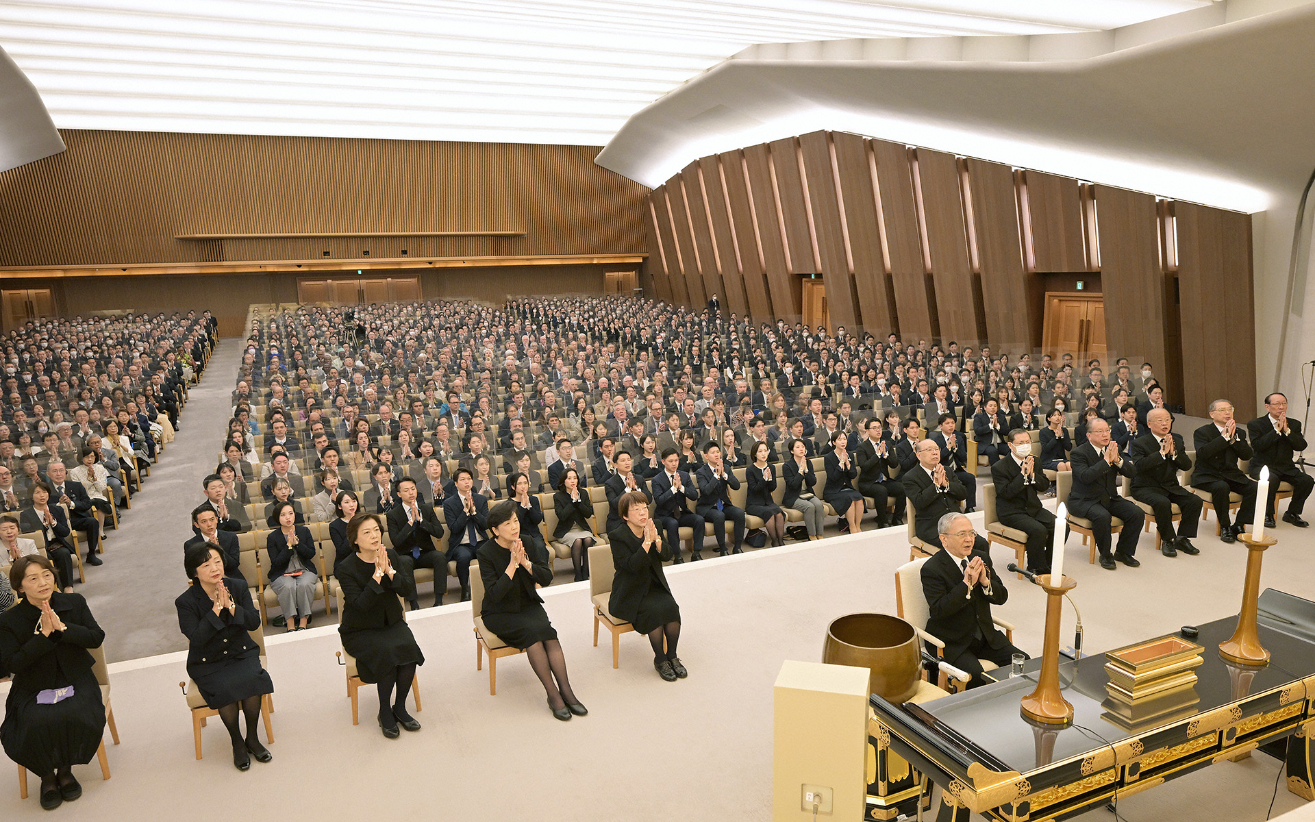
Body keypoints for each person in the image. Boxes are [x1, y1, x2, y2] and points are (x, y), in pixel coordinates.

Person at [0, 555, 107, 809]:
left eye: (47, 575)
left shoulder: (74, 602)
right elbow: (11, 664)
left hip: (75, 677)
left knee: (76, 712)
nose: (43, 582)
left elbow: (96, 637)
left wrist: (64, 628)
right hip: (33, 684)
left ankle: (66, 772)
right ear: (20, 586)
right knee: (34, 721)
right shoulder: (8, 620)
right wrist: (44, 636)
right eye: (33, 578)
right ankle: (47, 776)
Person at [477, 501, 586, 721]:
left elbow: (546, 578)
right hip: (499, 612)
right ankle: (553, 694)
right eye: (507, 524)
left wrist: (526, 563)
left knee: (549, 636)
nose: (514, 526)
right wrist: (512, 565)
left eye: (515, 521)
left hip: (528, 603)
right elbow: (494, 594)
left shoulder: (526, 541)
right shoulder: (485, 552)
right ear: (496, 530)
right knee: (533, 639)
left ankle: (566, 690)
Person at [176, 542, 274, 771]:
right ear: (194, 572)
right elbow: (197, 640)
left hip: (240, 652)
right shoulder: (186, 602)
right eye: (206, 564)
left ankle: (252, 737)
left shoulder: (238, 587)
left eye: (217, 561)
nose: (214, 568)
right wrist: (216, 611)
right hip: (208, 661)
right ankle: (237, 742)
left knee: (252, 680)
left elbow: (253, 623)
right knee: (225, 689)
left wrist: (231, 607)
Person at [336, 513, 425, 738]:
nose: (374, 535)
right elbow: (360, 605)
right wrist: (377, 575)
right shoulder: (346, 567)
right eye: (367, 532)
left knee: (408, 649)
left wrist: (390, 571)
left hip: (391, 622)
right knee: (386, 654)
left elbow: (406, 590)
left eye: (376, 530)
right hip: (360, 629)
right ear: (355, 539)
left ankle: (400, 707)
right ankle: (384, 711)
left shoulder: (391, 555)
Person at [921, 512, 1026, 689]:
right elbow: (939, 611)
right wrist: (965, 584)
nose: (969, 539)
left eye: (972, 533)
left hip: (985, 636)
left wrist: (985, 583)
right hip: (952, 641)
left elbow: (1002, 597)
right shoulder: (932, 569)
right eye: (962, 534)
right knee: (976, 678)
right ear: (944, 539)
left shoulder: (980, 558)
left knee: (1024, 665)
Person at [608, 490, 685, 681]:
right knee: (653, 613)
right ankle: (660, 660)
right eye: (636, 510)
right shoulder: (617, 535)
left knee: (671, 608)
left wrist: (657, 539)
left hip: (654, 584)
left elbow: (667, 556)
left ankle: (672, 656)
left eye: (645, 508)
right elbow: (631, 566)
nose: (643, 513)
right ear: (625, 516)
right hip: (631, 590)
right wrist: (647, 543)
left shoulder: (655, 525)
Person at [1069, 418, 1143, 570]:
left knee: (1136, 513)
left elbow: (1132, 473)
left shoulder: (1113, 448)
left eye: (1107, 431)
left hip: (1109, 498)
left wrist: (1118, 461)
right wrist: (1106, 461)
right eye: (1100, 431)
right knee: (1102, 516)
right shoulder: (1078, 453)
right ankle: (1105, 555)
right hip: (1084, 500)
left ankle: (1123, 552)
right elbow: (1086, 477)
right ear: (1089, 435)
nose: (1105, 434)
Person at [1130, 408, 1201, 557]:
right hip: (1145, 487)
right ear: (1149, 424)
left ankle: (1182, 538)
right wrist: (1161, 454)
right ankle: (1168, 539)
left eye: (1167, 420)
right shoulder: (1139, 443)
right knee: (1162, 503)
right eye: (1160, 421)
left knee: (1194, 500)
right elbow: (1138, 466)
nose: (1165, 424)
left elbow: (1187, 466)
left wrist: (1174, 453)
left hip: (1170, 485)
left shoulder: (1177, 440)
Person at [1191, 399, 1258, 543]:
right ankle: (1225, 526)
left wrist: (1234, 440)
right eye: (1222, 410)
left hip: (1231, 474)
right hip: (1207, 475)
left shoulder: (1239, 431)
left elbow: (1247, 455)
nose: (1227, 413)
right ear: (1212, 414)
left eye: (1230, 409)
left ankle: (1239, 524)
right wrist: (1223, 438)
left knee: (1254, 487)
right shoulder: (1202, 432)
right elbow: (1204, 453)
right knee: (1221, 487)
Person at [991, 430, 1055, 575]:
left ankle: (1049, 563)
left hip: (1033, 508)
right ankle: (1035, 568)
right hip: (1011, 511)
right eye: (1020, 443)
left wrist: (1032, 474)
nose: (1025, 446)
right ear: (1010, 445)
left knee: (1061, 527)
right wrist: (1022, 475)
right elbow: (1006, 493)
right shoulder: (999, 467)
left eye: (1027, 442)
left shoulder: (1035, 460)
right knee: (1038, 530)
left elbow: (1044, 486)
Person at [904, 439, 985, 552]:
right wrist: (936, 485)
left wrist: (947, 484)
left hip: (955, 524)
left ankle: (980, 570)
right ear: (918, 455)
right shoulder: (910, 477)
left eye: (937, 449)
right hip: (932, 527)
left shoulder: (947, 470)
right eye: (929, 450)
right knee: (956, 547)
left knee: (982, 544)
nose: (934, 452)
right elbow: (919, 502)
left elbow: (963, 494)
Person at [1248, 392, 1314, 527]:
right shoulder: (1256, 424)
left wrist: (1287, 431)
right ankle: (1267, 514)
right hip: (1262, 466)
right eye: (1277, 404)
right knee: (1272, 479)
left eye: (1284, 403)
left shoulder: (1294, 424)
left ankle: (1292, 513)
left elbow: (1301, 445)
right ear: (1267, 407)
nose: (1281, 407)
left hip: (1286, 467)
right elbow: (1258, 446)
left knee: (1307, 481)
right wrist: (1276, 431)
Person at [386, 477, 448, 608]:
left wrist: (421, 521)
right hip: (405, 554)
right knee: (405, 562)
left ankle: (439, 600)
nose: (411, 493)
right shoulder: (393, 515)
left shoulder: (426, 509)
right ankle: (413, 603)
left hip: (425, 552)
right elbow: (396, 541)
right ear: (399, 494)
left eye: (413, 489)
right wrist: (410, 523)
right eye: (406, 490)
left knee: (440, 557)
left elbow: (439, 533)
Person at [264, 501, 318, 631]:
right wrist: (288, 546)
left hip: (304, 570)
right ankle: (290, 624)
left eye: (290, 513)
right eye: (283, 515)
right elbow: (276, 562)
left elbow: (311, 553)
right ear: (277, 518)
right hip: (282, 573)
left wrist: (297, 544)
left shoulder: (304, 531)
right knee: (288, 586)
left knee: (304, 584)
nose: (288, 517)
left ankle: (303, 623)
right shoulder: (272, 537)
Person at [20, 482, 76, 592]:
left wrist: (53, 523)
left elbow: (65, 532)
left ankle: (68, 587)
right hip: (39, 546)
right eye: (37, 493)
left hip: (56, 543)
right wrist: (45, 526)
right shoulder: (25, 515)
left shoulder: (57, 509)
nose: (42, 495)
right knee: (47, 559)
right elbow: (30, 536)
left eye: (44, 492)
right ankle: (57, 589)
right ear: (31, 496)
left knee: (63, 554)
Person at [443, 467, 488, 602]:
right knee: (464, 557)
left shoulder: (480, 500)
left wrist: (474, 511)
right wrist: (465, 511)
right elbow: (454, 528)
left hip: (480, 540)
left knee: (488, 552)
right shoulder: (449, 503)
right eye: (462, 480)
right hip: (461, 543)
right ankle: (465, 588)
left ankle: (488, 585)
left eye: (469, 479)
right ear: (456, 483)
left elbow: (486, 525)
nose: (466, 482)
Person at [652, 448, 704, 563]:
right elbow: (659, 500)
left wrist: (681, 488)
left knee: (699, 520)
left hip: (682, 513)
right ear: (663, 462)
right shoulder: (657, 480)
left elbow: (694, 495)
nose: (674, 463)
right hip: (665, 515)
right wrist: (673, 489)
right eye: (670, 461)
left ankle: (696, 552)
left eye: (676, 460)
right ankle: (677, 556)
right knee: (672, 523)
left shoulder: (684, 476)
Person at [46, 461, 102, 567]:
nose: (58, 474)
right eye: (55, 471)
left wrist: (71, 503)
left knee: (92, 521)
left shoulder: (76, 485)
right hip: (58, 523)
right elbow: (43, 508)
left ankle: (91, 554)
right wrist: (59, 504)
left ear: (66, 472)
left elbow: (87, 504)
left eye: (61, 470)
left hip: (76, 519)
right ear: (48, 474)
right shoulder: (45, 490)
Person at [695, 442, 745, 555]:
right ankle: (723, 548)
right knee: (719, 516)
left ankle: (737, 547)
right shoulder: (701, 472)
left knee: (739, 513)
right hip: (708, 507)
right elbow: (706, 491)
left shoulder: (726, 467)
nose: (717, 455)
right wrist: (716, 476)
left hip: (724, 505)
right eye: (713, 453)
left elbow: (737, 486)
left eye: (718, 452)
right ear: (706, 456)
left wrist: (724, 475)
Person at [855, 418, 903, 528]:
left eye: (879, 428)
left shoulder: (887, 444)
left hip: (884, 481)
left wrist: (886, 455)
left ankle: (897, 519)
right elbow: (865, 467)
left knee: (901, 488)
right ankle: (883, 521)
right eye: (874, 428)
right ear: (867, 431)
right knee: (881, 490)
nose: (878, 430)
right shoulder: (862, 447)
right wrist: (877, 455)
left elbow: (894, 464)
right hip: (868, 483)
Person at [552, 467, 596, 581]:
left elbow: (588, 514)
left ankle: (585, 571)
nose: (573, 481)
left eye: (575, 478)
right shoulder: (558, 496)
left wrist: (578, 501)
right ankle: (578, 574)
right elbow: (562, 516)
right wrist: (572, 501)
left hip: (582, 528)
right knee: (577, 541)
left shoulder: (583, 493)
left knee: (587, 539)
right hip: (567, 530)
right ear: (563, 481)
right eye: (569, 478)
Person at [930, 414, 976, 513]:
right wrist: (948, 448)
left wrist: (955, 448)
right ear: (941, 426)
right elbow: (937, 459)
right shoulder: (935, 440)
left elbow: (963, 457)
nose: (951, 426)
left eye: (953, 423)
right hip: (942, 472)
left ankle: (970, 507)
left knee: (970, 478)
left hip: (956, 470)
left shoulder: (959, 438)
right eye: (947, 423)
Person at [184, 505, 243, 582]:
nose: (209, 524)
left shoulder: (231, 537)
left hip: (231, 578)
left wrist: (218, 548)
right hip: (204, 582)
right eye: (204, 521)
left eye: (212, 519)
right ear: (197, 525)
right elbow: (192, 572)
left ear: (216, 519)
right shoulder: (191, 544)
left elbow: (233, 565)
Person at [745, 441, 787, 547]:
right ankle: (774, 541)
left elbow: (772, 487)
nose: (763, 454)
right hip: (754, 503)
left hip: (768, 501)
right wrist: (764, 479)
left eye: (765, 451)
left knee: (779, 513)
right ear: (755, 454)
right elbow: (754, 489)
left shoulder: (771, 467)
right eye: (760, 451)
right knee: (770, 514)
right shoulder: (750, 470)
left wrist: (769, 479)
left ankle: (781, 540)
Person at [823, 430, 865, 535]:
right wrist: (841, 463)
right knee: (849, 499)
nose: (843, 442)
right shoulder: (828, 457)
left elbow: (853, 475)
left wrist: (848, 463)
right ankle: (852, 527)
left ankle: (858, 525)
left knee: (859, 498)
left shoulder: (849, 454)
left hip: (847, 488)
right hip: (833, 490)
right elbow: (833, 478)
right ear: (833, 442)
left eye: (844, 439)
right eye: (839, 439)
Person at [783, 438, 825, 540]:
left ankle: (820, 534)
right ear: (792, 451)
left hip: (808, 493)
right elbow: (793, 485)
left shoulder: (808, 463)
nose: (801, 449)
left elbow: (813, 482)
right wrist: (800, 471)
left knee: (819, 505)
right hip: (793, 496)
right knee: (809, 507)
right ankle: (811, 535)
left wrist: (806, 471)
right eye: (797, 447)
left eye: (802, 447)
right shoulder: (787, 466)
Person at [603, 450, 650, 533]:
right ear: (615, 465)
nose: (627, 463)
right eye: (623, 461)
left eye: (628, 460)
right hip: (618, 521)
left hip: (638, 518)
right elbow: (614, 504)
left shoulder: (639, 479)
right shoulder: (610, 483)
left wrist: (636, 488)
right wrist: (627, 489)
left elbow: (649, 499)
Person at [507, 471, 546, 554]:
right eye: (519, 484)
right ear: (513, 487)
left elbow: (537, 520)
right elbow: (516, 522)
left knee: (540, 547)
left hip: (534, 535)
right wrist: (522, 506)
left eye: (525, 483)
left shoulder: (533, 500)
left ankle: (542, 567)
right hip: (519, 536)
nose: (523, 486)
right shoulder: (509, 503)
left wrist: (529, 506)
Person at [330, 490, 360, 572]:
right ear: (339, 506)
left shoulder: (365, 520)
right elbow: (342, 550)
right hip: (345, 563)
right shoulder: (334, 526)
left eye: (354, 501)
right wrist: (353, 527)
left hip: (366, 560)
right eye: (347, 502)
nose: (351, 505)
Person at [972, 398, 1008, 466]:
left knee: (1011, 449)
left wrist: (997, 426)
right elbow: (977, 431)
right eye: (990, 406)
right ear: (985, 407)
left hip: (999, 443)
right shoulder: (979, 417)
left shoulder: (1001, 417)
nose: (993, 408)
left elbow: (1007, 431)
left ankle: (1011, 470)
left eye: (995, 406)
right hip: (985, 444)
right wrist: (990, 426)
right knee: (993, 451)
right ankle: (998, 472)